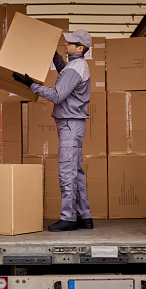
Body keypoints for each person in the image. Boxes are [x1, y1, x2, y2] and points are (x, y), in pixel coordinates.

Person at [12, 29, 93, 232]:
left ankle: (68, 218)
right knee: (76, 173)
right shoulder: (75, 66)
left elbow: (57, 95)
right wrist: (53, 54)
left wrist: (32, 85)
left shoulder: (76, 68)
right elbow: (64, 72)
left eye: (69, 43)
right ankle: (85, 217)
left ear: (80, 48)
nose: (65, 45)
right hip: (73, 124)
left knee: (67, 173)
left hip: (70, 125)